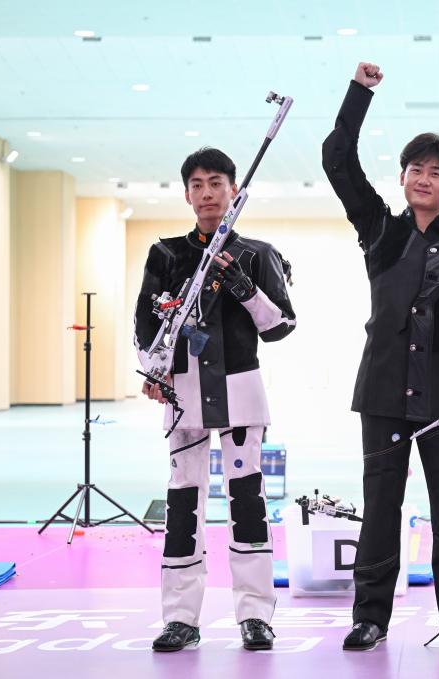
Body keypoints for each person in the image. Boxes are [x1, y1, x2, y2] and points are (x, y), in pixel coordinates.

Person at [322, 62, 439, 651]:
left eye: (437, 172)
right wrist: (360, 93)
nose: (425, 179)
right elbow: (337, 159)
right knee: (381, 507)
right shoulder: (381, 230)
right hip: (382, 392)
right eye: (416, 169)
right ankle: (370, 618)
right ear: (402, 177)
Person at [134, 147, 296, 652]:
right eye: (197, 184)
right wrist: (153, 371)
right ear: (187, 194)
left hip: (241, 394)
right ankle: (180, 618)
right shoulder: (165, 254)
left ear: (233, 190)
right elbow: (144, 325)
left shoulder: (258, 254)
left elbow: (281, 326)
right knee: (183, 506)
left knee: (248, 504)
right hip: (183, 395)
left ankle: (256, 615)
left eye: (216, 183)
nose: (207, 193)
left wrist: (246, 290)